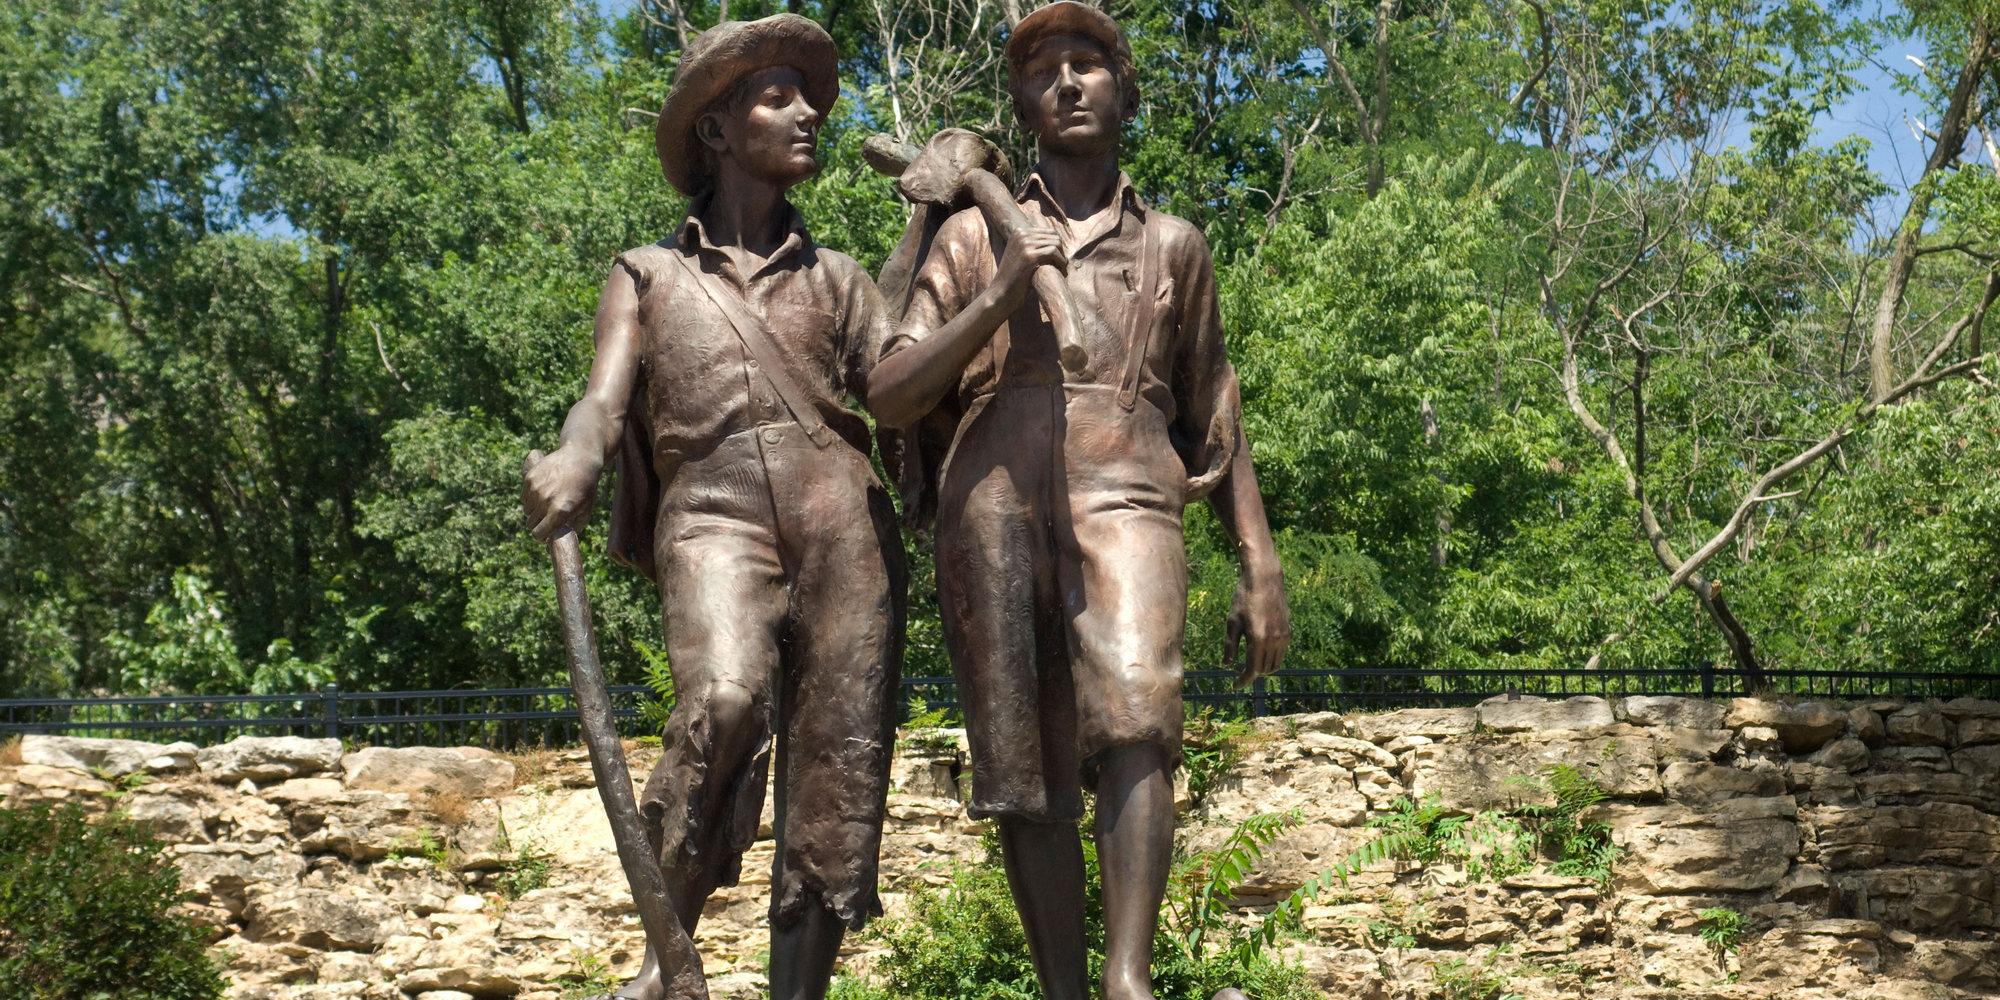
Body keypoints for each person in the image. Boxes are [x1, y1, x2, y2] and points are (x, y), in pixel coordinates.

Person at [867, 4, 1291, 999]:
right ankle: (1063, 988)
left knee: (1140, 706)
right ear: (1019, 103)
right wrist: (1000, 286)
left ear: (1121, 87)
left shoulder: (1176, 246)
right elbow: (888, 392)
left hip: (1131, 485)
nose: (1066, 82)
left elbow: (1214, 410)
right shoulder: (973, 236)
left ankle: (1126, 978)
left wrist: (1258, 563)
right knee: (1022, 761)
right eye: (1043, 70)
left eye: (1086, 65)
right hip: (992, 500)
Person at [521, 15, 904, 1000]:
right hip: (712, 510)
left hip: (842, 519)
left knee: (838, 770)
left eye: (805, 94)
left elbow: (899, 393)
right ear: (717, 132)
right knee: (723, 700)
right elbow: (603, 402)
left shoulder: (841, 280)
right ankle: (664, 961)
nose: (808, 111)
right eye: (778, 96)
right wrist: (574, 453)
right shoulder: (648, 273)